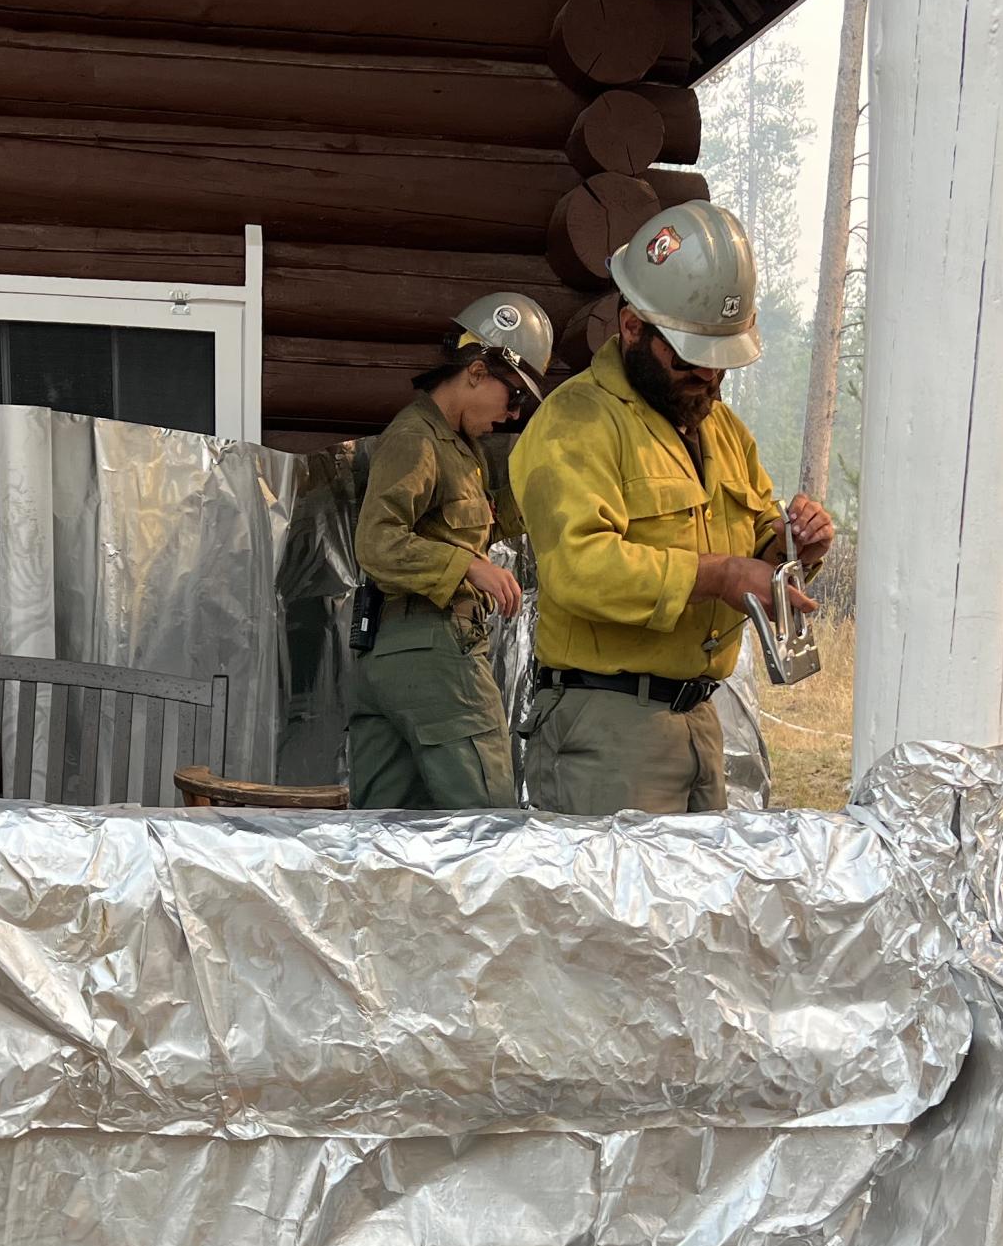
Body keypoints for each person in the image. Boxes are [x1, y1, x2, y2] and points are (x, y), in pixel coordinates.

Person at [508, 201, 833, 814]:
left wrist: (792, 547)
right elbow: (578, 567)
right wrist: (724, 575)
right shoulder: (575, 423)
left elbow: (758, 538)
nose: (708, 381)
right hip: (605, 729)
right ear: (632, 329)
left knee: (698, 913)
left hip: (698, 720)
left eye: (720, 365)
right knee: (610, 913)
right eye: (689, 361)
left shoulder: (723, 429)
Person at [348, 293, 553, 808]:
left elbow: (473, 525)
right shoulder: (415, 438)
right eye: (514, 398)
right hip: (433, 646)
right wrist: (467, 566)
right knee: (489, 825)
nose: (512, 414)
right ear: (478, 371)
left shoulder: (461, 449)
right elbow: (376, 541)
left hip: (400, 655)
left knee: (391, 838)